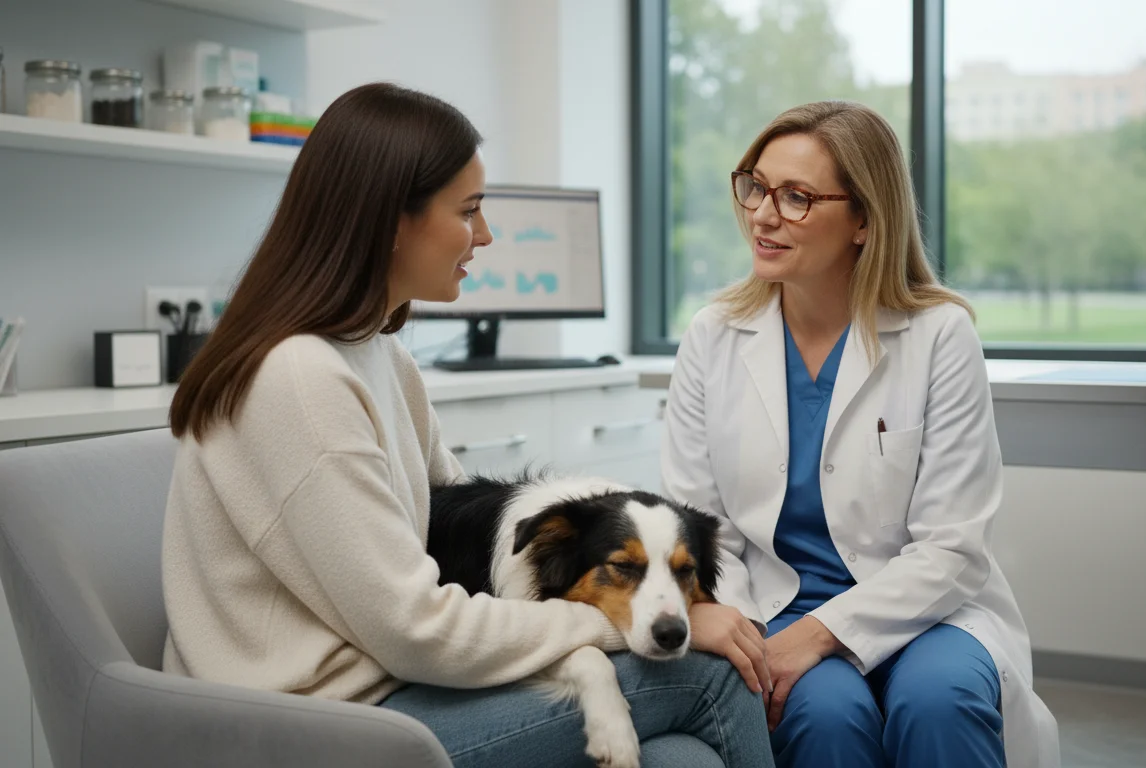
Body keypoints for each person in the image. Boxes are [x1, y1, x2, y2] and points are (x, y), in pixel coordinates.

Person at [161, 82, 772, 768]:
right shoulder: (299, 379)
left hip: (390, 688)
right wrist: (620, 618)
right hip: (308, 724)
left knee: (681, 758)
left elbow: (459, 519)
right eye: (470, 210)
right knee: (710, 674)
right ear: (392, 219)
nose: (485, 236)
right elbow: (414, 627)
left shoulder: (378, 355)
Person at [663, 100, 1062, 768]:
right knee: (822, 713)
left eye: (796, 197)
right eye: (756, 186)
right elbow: (700, 529)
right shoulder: (713, 336)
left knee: (940, 700)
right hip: (772, 604)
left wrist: (825, 632)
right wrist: (746, 628)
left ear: (864, 220)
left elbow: (952, 548)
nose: (762, 213)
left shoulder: (940, 336)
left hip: (928, 609)